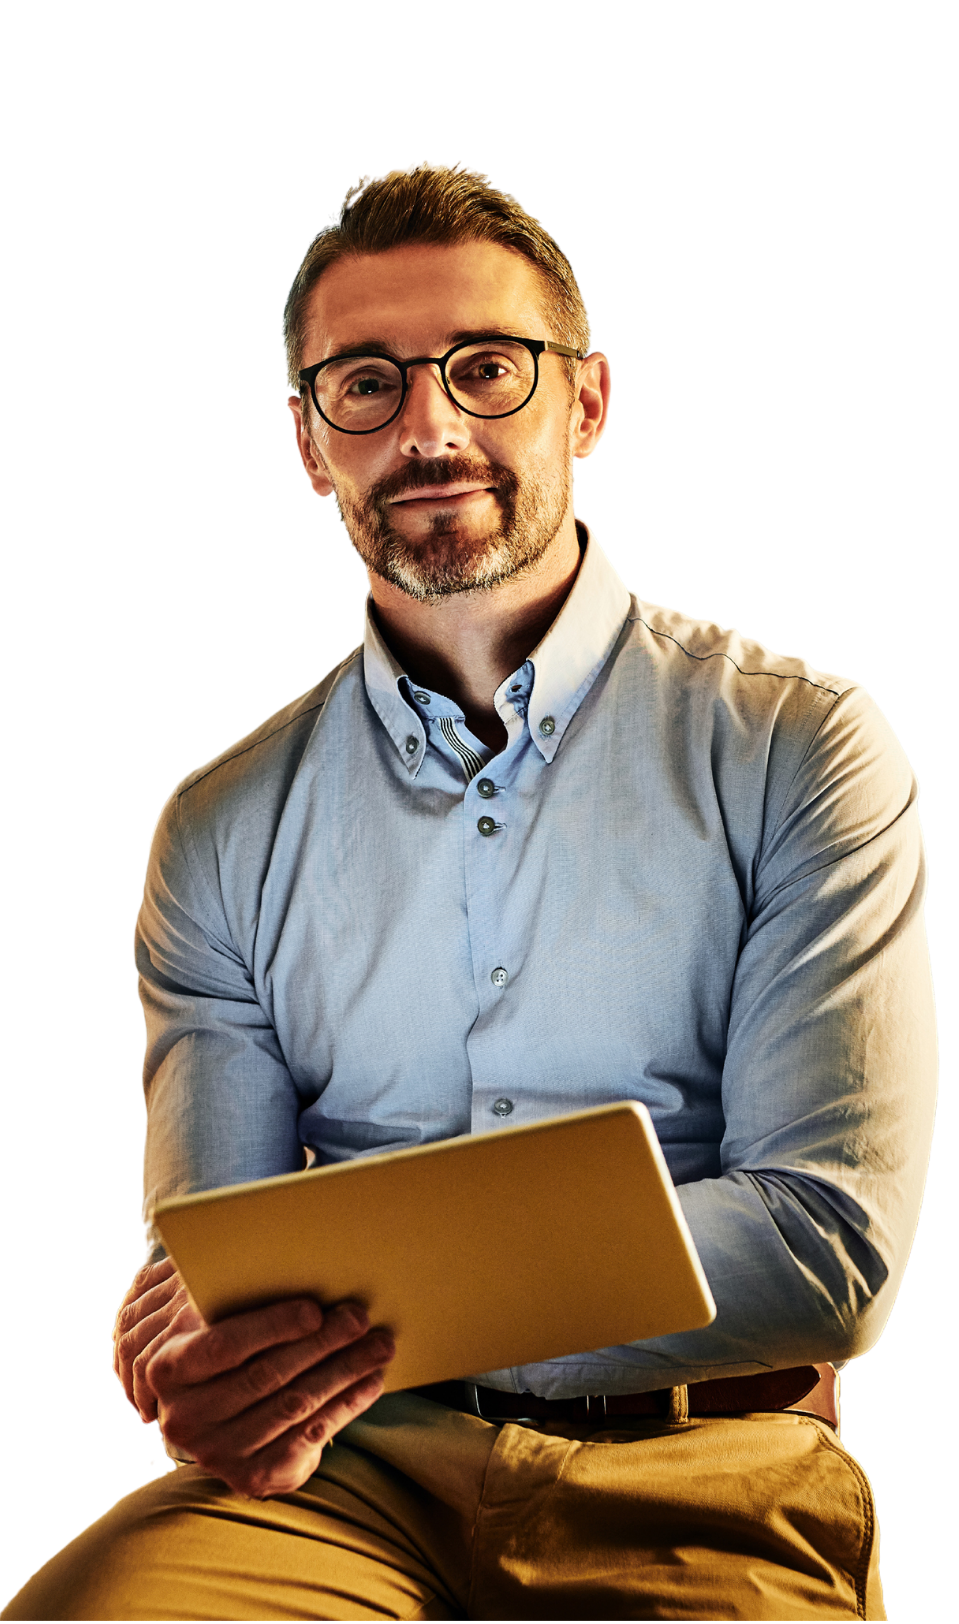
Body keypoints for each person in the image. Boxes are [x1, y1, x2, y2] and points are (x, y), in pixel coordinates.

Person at [3, 160, 937, 1621]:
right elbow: (210, 1272)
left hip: (710, 1476)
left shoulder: (800, 748)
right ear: (312, 446)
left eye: (484, 369)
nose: (428, 426)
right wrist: (208, 1375)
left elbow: (825, 1252)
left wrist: (348, 1299)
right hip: (339, 1485)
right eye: (364, 384)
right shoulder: (217, 828)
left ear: (586, 404)